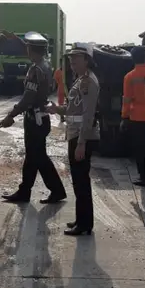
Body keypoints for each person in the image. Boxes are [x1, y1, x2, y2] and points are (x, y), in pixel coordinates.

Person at [0, 30, 67, 204]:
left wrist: (10, 115)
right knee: (33, 157)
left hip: (34, 119)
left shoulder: (35, 70)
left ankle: (55, 190)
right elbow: (32, 49)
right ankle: (25, 192)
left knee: (38, 158)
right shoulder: (45, 64)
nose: (26, 50)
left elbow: (27, 98)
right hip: (40, 118)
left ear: (31, 50)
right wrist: (17, 40)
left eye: (28, 48)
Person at [46, 42, 100, 235]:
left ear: (87, 60)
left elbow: (88, 115)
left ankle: (85, 225)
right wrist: (56, 109)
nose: (72, 63)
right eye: (71, 60)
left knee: (81, 181)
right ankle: (81, 219)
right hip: (75, 133)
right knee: (78, 181)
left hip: (81, 136)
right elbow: (71, 109)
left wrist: (82, 143)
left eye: (76, 59)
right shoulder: (79, 80)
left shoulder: (88, 82)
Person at [121, 47, 145, 186]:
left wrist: (124, 117)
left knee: (139, 151)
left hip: (136, 118)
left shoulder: (129, 77)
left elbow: (127, 99)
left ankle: (143, 178)